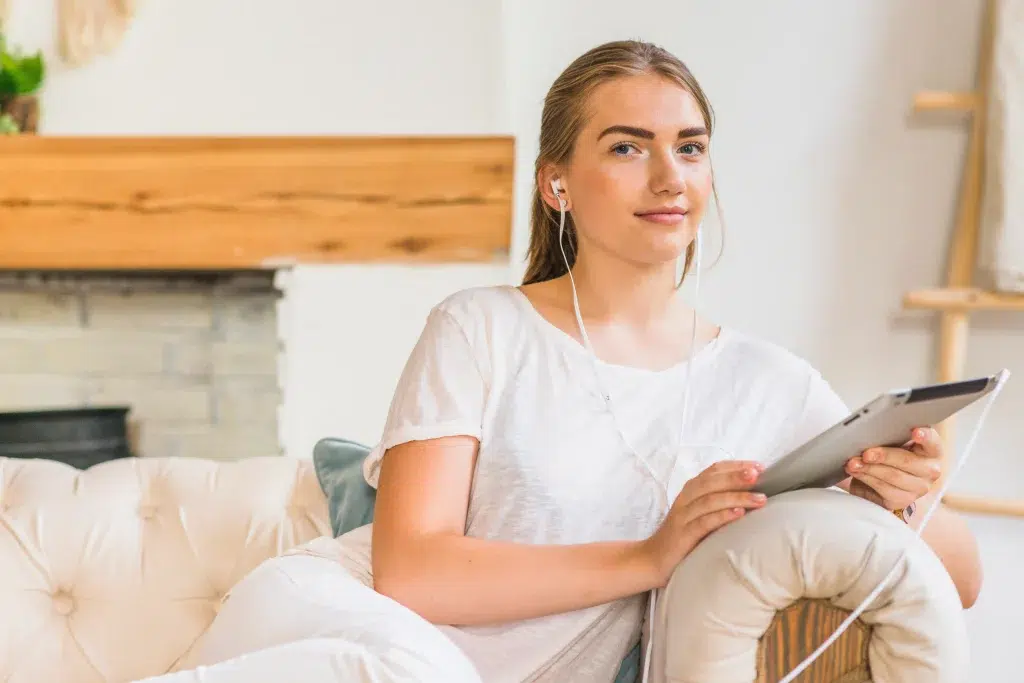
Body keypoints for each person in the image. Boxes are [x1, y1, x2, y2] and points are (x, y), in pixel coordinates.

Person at [138, 39, 982, 683]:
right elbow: (410, 569)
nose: (668, 175)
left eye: (689, 147)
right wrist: (647, 556)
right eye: (627, 147)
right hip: (346, 631)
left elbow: (963, 578)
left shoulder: (766, 383)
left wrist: (905, 497)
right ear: (557, 184)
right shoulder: (480, 328)